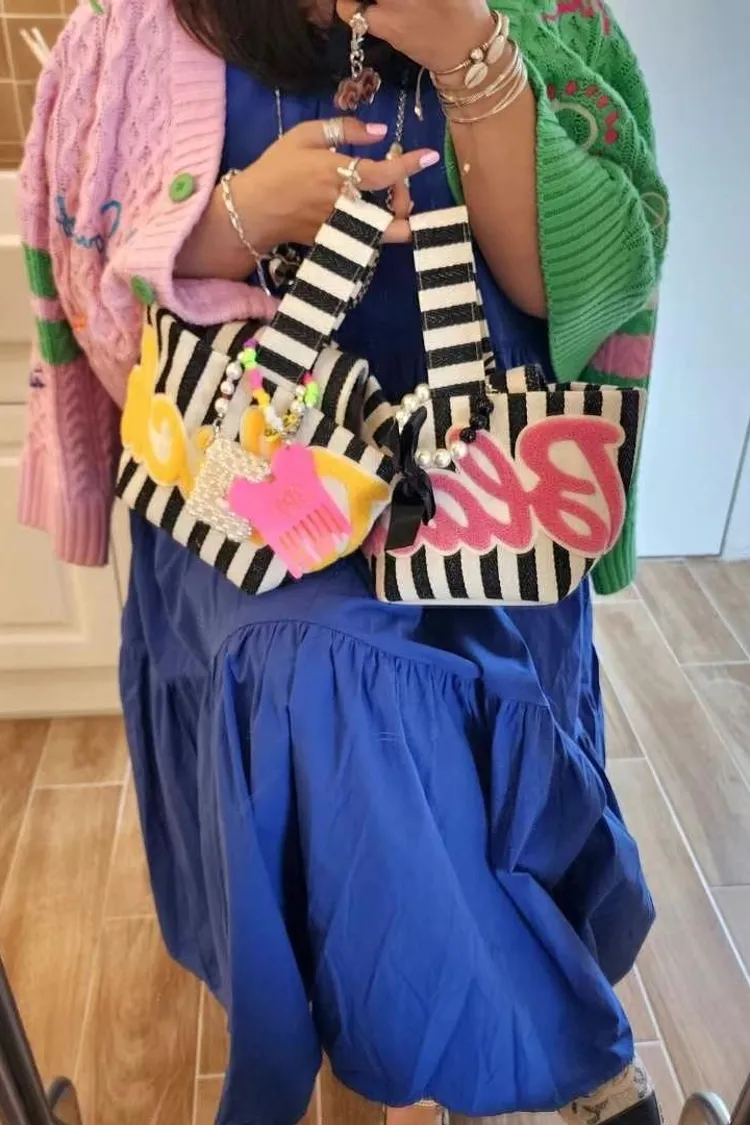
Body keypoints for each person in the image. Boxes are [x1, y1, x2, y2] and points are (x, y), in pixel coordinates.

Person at [18, 1, 669, 1123]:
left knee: (421, 697)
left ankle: (432, 1048)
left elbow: (589, 286)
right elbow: (100, 301)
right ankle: (572, 1058)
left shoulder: (545, 16)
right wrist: (239, 215)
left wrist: (474, 57)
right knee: (325, 670)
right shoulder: (129, 33)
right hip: (252, 485)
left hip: (482, 487)